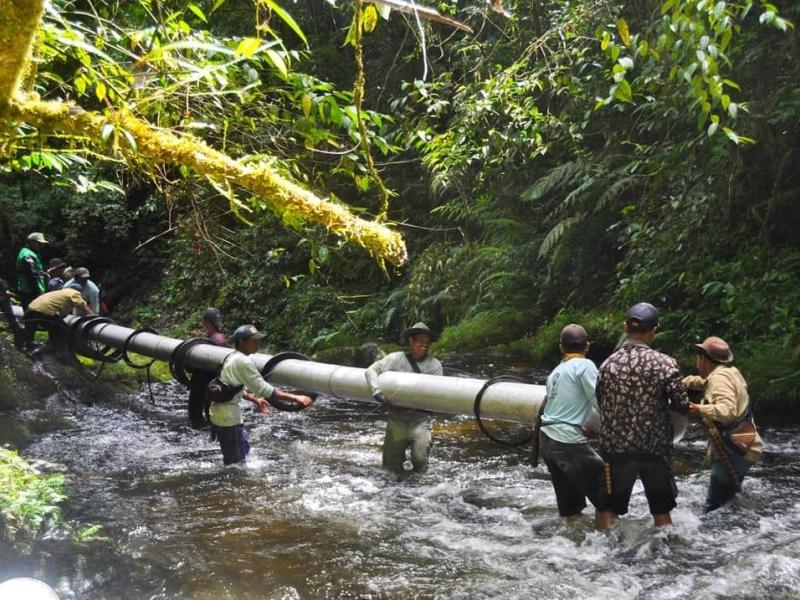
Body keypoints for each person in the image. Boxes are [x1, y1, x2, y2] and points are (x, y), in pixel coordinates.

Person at [595, 303, 690, 529]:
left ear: (625, 327)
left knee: (607, 507)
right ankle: (665, 554)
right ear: (654, 330)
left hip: (616, 448)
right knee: (661, 509)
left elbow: (600, 403)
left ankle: (601, 556)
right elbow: (681, 406)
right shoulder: (666, 364)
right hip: (655, 449)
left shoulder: (607, 365)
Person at [209, 324, 312, 465]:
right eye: (254, 340)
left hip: (220, 415)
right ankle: (236, 485)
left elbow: (229, 387)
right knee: (236, 464)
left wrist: (254, 399)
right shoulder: (243, 361)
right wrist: (296, 397)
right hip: (228, 418)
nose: (258, 343)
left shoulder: (231, 357)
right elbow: (264, 390)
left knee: (243, 451)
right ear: (242, 342)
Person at [683, 336, 763, 512]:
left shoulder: (719, 378)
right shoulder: (729, 372)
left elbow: (727, 411)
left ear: (703, 359)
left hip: (734, 450)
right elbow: (703, 382)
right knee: (728, 501)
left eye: (699, 358)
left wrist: (697, 409)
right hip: (745, 447)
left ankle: (717, 536)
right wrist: (681, 382)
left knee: (714, 508)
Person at [539, 324, 604, 521]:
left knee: (571, 506)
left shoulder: (555, 373)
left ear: (561, 348)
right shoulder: (585, 366)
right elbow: (600, 401)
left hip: (547, 441)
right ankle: (611, 548)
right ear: (587, 346)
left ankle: (572, 544)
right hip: (567, 440)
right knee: (607, 496)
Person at [365, 322, 443, 476]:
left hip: (420, 421)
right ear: (411, 341)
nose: (424, 345)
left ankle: (417, 494)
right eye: (421, 341)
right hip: (396, 420)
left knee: (420, 463)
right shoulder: (395, 359)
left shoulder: (435, 366)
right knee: (389, 470)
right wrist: (377, 393)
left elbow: (435, 396)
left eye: (427, 342)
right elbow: (370, 371)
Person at [22, 282, 94, 352]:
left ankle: (27, 348)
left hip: (31, 310)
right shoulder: (74, 292)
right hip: (44, 311)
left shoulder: (59, 293)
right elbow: (81, 303)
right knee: (64, 331)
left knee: (30, 333)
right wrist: (91, 314)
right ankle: (59, 352)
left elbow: (61, 315)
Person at [187, 308, 227, 428]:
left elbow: (213, 363)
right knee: (200, 410)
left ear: (207, 322)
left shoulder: (217, 339)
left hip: (206, 379)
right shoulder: (213, 337)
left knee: (201, 411)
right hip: (204, 378)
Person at [16, 232, 49, 310]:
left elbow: (32, 271)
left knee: (31, 318)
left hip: (26, 291)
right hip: (31, 292)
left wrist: (43, 274)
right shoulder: (28, 255)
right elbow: (31, 274)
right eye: (39, 243)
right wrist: (36, 292)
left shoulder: (25, 252)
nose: (41, 246)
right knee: (34, 318)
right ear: (32, 242)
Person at [0, 277, 23, 349]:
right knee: (13, 321)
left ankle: (18, 344)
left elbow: (5, 288)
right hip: (4, 297)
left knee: (13, 321)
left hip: (4, 298)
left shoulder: (2, 282)